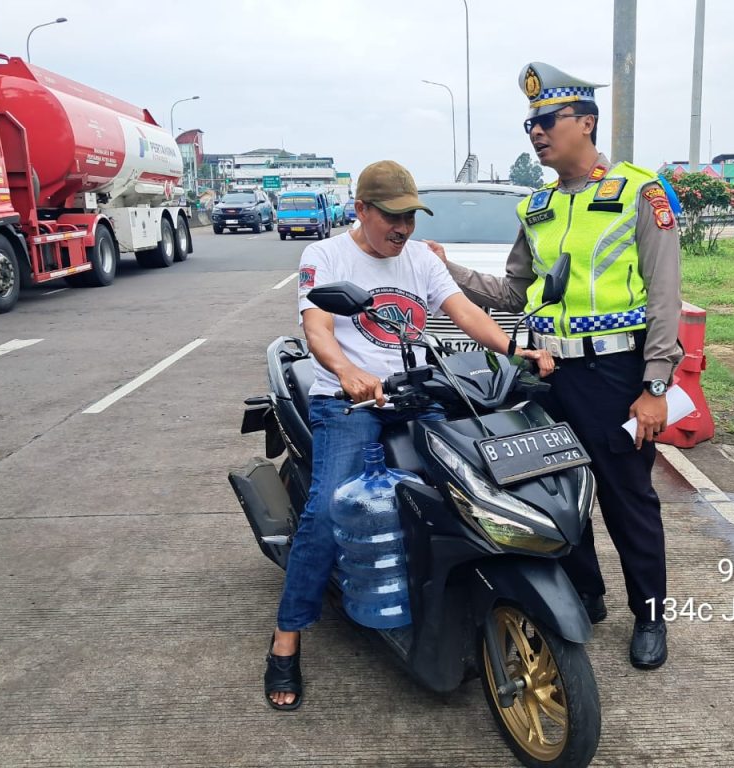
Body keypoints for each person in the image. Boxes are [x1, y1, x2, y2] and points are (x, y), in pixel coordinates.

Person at [265, 160, 554, 710]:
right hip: (349, 401)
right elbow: (317, 328)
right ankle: (287, 636)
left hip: (417, 394)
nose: (403, 229)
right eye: (392, 218)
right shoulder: (325, 256)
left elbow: (465, 312)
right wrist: (348, 372)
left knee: (474, 485)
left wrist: (516, 351)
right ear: (361, 210)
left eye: (410, 218)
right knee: (326, 512)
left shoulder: (420, 258)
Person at [428, 62, 683, 670]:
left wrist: (655, 385)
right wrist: (445, 270)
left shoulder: (638, 193)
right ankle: (586, 593)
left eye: (548, 120)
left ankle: (650, 615)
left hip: (615, 376)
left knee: (627, 499)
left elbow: (665, 297)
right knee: (556, 491)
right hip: (547, 377)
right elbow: (515, 292)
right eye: (530, 124)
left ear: (586, 122)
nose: (537, 132)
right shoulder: (535, 207)